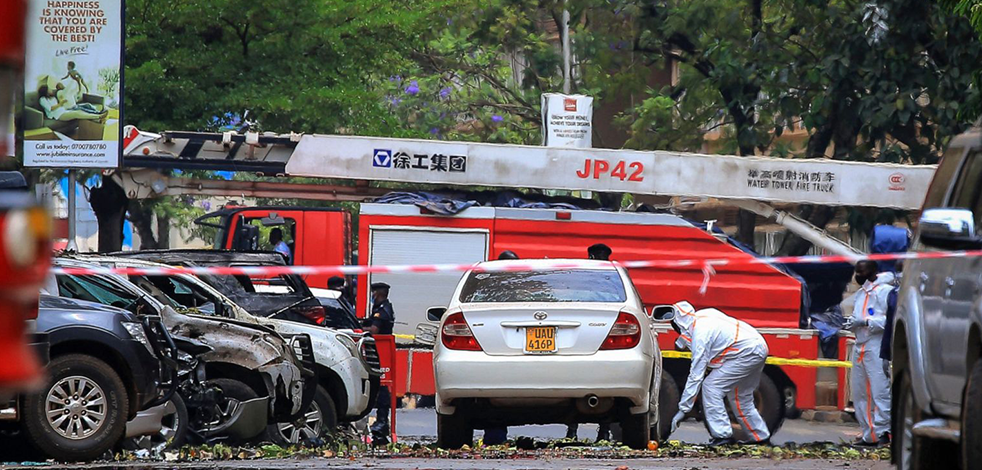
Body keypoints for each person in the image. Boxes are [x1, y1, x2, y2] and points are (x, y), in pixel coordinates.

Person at [657, 301, 771, 446]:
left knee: (711, 387)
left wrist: (683, 410)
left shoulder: (700, 335)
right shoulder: (703, 315)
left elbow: (696, 376)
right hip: (757, 346)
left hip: (746, 353)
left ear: (680, 324)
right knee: (741, 396)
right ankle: (760, 437)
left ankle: (722, 435)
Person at [843, 260, 893, 446]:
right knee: (860, 393)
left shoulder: (885, 291)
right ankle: (869, 434)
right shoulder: (861, 293)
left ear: (873, 271)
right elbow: (858, 316)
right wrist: (852, 322)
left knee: (880, 391)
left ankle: (884, 433)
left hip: (876, 345)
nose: (858, 275)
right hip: (860, 344)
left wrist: (866, 322)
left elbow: (890, 320)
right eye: (856, 272)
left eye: (861, 272)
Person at [367, 282, 396, 443]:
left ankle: (382, 422)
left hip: (381, 352)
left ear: (378, 293)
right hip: (380, 352)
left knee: (382, 386)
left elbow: (374, 330)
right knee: (381, 386)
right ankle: (381, 421)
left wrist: (361, 329)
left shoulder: (382, 310)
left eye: (374, 293)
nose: (372, 295)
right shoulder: (383, 307)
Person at [37, 84, 104, 123]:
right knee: (76, 114)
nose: (51, 89)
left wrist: (62, 102)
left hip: (63, 111)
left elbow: (58, 105)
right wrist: (60, 103)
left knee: (80, 111)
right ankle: (98, 116)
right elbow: (50, 108)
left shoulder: (53, 98)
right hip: (57, 115)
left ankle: (97, 119)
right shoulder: (42, 99)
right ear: (45, 91)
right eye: (49, 89)